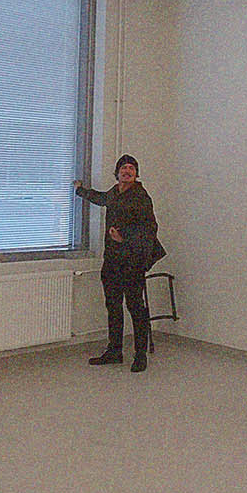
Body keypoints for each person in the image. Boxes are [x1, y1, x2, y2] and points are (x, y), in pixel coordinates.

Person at [74, 155, 163, 373]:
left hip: (132, 262)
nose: (127, 171)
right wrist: (80, 190)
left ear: (136, 174)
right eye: (124, 168)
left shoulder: (141, 196)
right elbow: (101, 198)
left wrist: (124, 237)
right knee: (113, 307)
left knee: (135, 307)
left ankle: (140, 355)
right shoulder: (115, 192)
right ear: (117, 173)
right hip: (112, 261)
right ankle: (114, 351)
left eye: (132, 168)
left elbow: (150, 228)